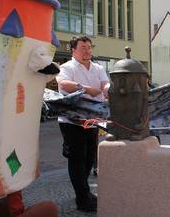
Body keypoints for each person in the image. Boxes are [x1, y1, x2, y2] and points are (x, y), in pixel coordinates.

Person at [56, 36, 109, 212]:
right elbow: (63, 84)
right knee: (77, 159)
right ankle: (83, 199)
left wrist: (108, 89)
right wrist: (85, 88)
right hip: (72, 121)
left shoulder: (98, 67)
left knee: (88, 159)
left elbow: (105, 84)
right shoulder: (67, 67)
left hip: (92, 120)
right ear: (74, 50)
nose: (87, 50)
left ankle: (84, 193)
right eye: (83, 47)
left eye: (89, 47)